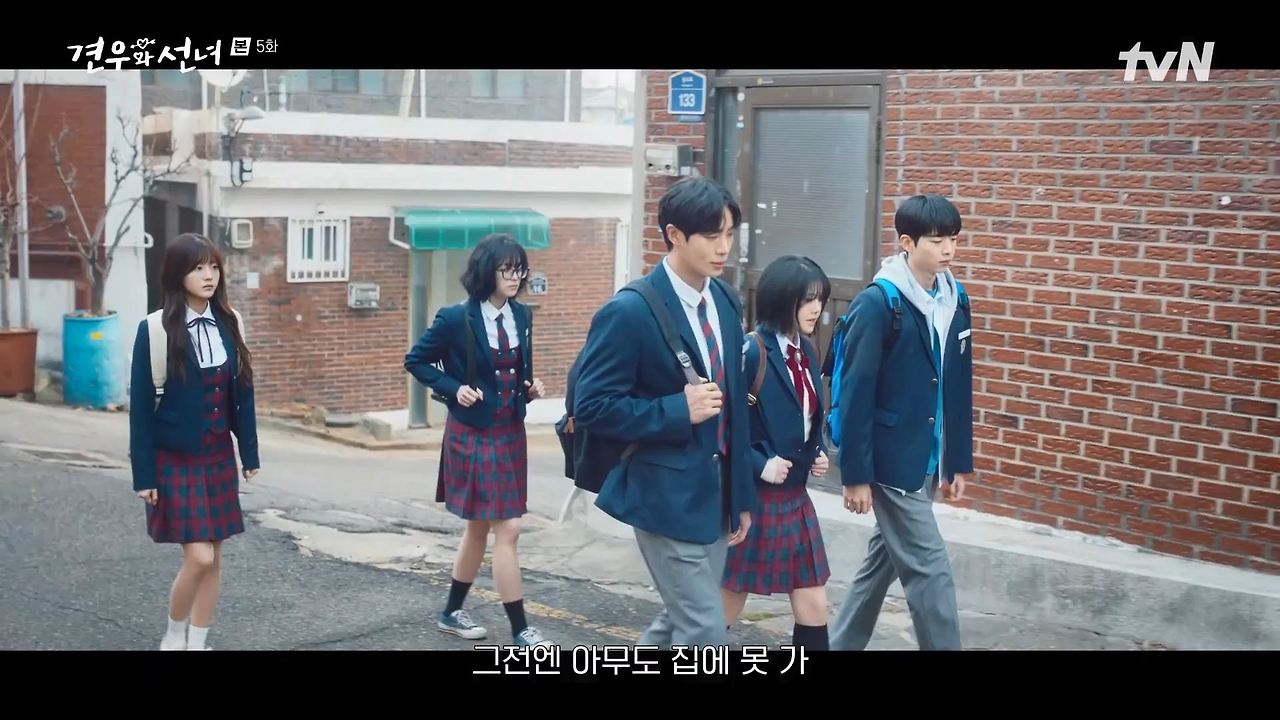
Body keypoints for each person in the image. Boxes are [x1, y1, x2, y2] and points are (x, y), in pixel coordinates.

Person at [573, 176, 757, 648]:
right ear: (674, 234)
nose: (724, 248)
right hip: (663, 493)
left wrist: (741, 494)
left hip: (717, 492)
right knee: (705, 630)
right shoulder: (630, 311)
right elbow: (591, 406)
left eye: (729, 234)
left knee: (681, 622)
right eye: (711, 236)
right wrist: (678, 409)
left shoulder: (725, 299)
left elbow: (735, 406)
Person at [828, 193, 974, 651]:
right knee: (931, 571)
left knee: (881, 563)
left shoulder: (954, 297)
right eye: (937, 240)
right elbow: (855, 393)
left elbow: (957, 383)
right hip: (890, 460)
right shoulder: (879, 302)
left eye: (954, 239)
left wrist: (956, 460)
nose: (948, 249)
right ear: (907, 242)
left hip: (927, 455)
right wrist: (855, 475)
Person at [404, 233, 550, 647]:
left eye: (520, 269)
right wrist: (454, 389)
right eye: (508, 269)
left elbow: (514, 371)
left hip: (510, 431)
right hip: (473, 433)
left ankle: (451, 613)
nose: (516, 276)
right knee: (509, 529)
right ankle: (521, 630)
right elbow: (416, 360)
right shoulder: (456, 318)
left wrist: (529, 388)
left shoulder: (522, 315)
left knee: (478, 530)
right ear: (487, 271)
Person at [129, 232, 259, 651]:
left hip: (218, 454)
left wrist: (249, 453)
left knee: (214, 559)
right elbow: (140, 410)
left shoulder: (230, 322)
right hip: (174, 457)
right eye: (198, 268)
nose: (209, 276)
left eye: (214, 267)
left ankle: (198, 642)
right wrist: (144, 476)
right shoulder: (154, 329)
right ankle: (173, 633)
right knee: (199, 557)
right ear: (177, 274)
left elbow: (243, 392)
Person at [721, 255, 833, 650]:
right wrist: (760, 464)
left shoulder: (808, 350)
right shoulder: (752, 351)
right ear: (782, 300)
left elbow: (805, 414)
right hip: (756, 496)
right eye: (807, 300)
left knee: (814, 600)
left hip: (794, 496)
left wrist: (817, 451)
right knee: (726, 600)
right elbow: (723, 424)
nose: (817, 309)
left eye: (820, 299)